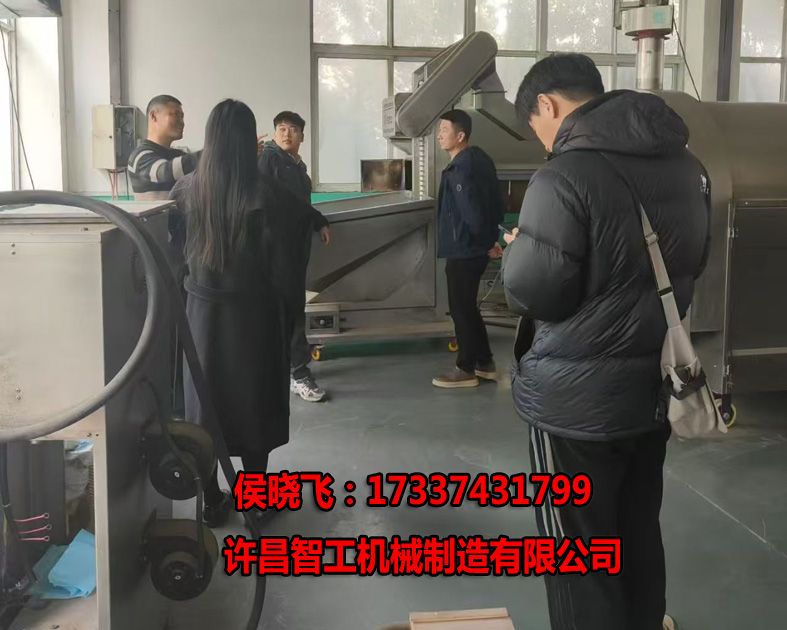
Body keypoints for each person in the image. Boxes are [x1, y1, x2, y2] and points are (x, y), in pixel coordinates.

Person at [502, 53, 711, 630]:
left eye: (536, 127)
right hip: (653, 387)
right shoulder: (688, 166)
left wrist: (521, 250)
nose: (543, 141)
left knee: (577, 554)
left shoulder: (562, 176)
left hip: (575, 405)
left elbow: (535, 294)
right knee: (637, 527)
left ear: (547, 105)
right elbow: (692, 264)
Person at [170, 99, 314, 528]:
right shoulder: (272, 196)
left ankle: (213, 499)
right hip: (255, 319)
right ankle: (254, 502)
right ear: (252, 139)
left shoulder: (186, 191)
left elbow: (174, 258)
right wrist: (291, 319)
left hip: (200, 317)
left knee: (205, 404)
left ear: (211, 139)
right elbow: (288, 272)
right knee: (256, 405)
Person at [258, 111, 331, 403]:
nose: (287, 134)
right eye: (281, 129)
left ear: (302, 136)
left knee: (289, 310)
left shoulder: (297, 167)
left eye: (293, 129)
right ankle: (299, 374)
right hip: (276, 251)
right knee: (290, 313)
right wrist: (316, 217)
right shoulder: (269, 161)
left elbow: (298, 203)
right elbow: (278, 201)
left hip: (293, 251)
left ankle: (286, 370)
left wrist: (318, 220)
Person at [432, 109, 504, 389]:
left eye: (444, 130)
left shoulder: (461, 168)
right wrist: (491, 239)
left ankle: (465, 369)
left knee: (460, 309)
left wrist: (485, 243)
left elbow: (471, 211)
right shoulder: (480, 159)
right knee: (468, 307)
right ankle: (484, 362)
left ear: (460, 135)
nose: (439, 135)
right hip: (475, 245)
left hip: (464, 248)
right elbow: (495, 204)